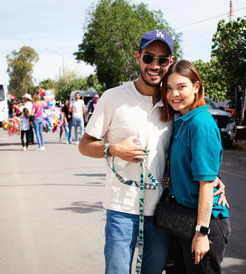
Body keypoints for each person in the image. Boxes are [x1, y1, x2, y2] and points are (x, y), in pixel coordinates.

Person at [79, 29, 226, 274]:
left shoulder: (173, 104)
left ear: (170, 62)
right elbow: (85, 145)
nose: (155, 65)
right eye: (149, 58)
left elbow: (193, 151)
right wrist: (113, 149)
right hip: (121, 209)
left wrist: (215, 179)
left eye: (162, 60)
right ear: (138, 57)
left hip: (161, 213)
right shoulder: (113, 97)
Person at [160, 60, 230, 273]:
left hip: (203, 223)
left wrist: (201, 233)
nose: (174, 94)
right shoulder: (181, 121)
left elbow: (206, 184)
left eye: (181, 87)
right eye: (169, 89)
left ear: (196, 87)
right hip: (181, 219)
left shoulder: (201, 123)